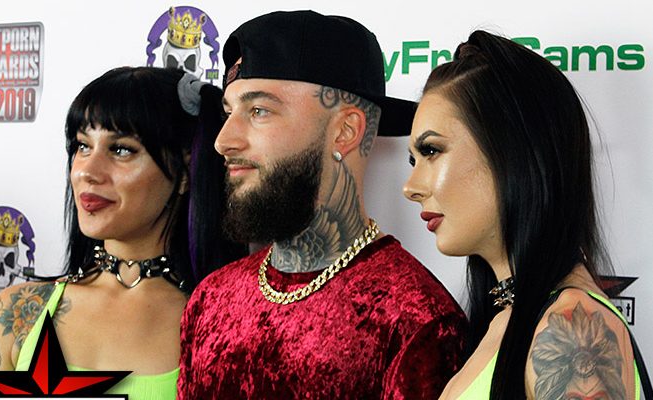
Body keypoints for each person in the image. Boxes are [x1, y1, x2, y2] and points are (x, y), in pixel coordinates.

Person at [177, 10, 467, 399]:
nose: (223, 141)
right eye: (229, 113)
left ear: (345, 131)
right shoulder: (210, 300)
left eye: (259, 111)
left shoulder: (414, 321)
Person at [404, 30, 650, 399]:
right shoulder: (508, 321)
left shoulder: (573, 329)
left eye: (432, 151)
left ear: (511, 152)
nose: (410, 187)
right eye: (413, 160)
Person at [0, 67, 247, 399]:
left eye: (121, 149)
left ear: (186, 170)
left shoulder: (225, 325)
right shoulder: (16, 311)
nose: (87, 171)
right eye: (82, 146)